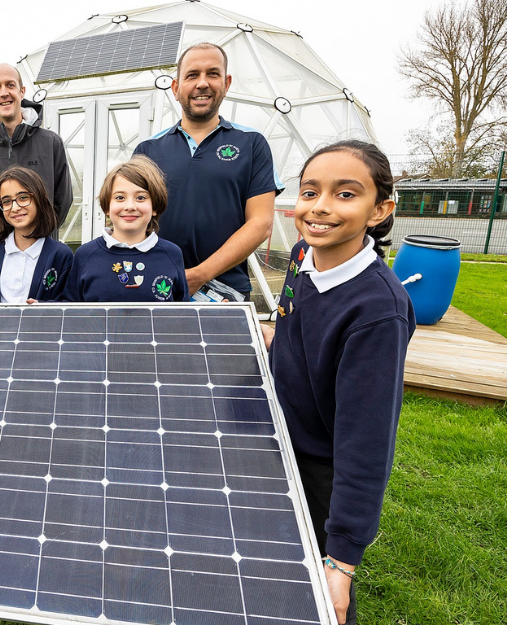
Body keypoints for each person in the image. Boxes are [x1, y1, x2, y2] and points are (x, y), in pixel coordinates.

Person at [261, 140, 415, 625]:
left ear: (380, 209)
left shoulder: (376, 313)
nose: (321, 207)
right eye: (310, 192)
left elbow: (366, 444)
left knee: (318, 599)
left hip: (322, 468)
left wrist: (343, 560)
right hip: (278, 441)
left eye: (345, 194)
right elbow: (295, 329)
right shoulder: (305, 254)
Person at [133, 42, 283, 299]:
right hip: (158, 285)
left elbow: (260, 223)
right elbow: (134, 221)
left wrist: (199, 275)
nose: (202, 83)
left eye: (212, 74)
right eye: (192, 75)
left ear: (226, 83)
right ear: (176, 88)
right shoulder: (147, 149)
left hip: (226, 293)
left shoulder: (251, 143)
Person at [0, 63, 73, 267]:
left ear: (22, 91)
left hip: (41, 258)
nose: (4, 93)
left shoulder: (51, 143)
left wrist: (39, 233)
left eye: (10, 85)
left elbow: (62, 200)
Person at [63, 156, 188, 303]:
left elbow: (183, 313)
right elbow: (70, 309)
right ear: (107, 207)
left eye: (141, 198)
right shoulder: (85, 255)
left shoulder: (172, 254)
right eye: (120, 198)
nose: (130, 206)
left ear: (155, 207)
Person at [0, 166, 73, 303]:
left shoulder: (61, 255)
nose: (15, 208)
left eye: (23, 197)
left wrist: (43, 309)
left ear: (40, 199)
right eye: (6, 201)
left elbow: (68, 303)